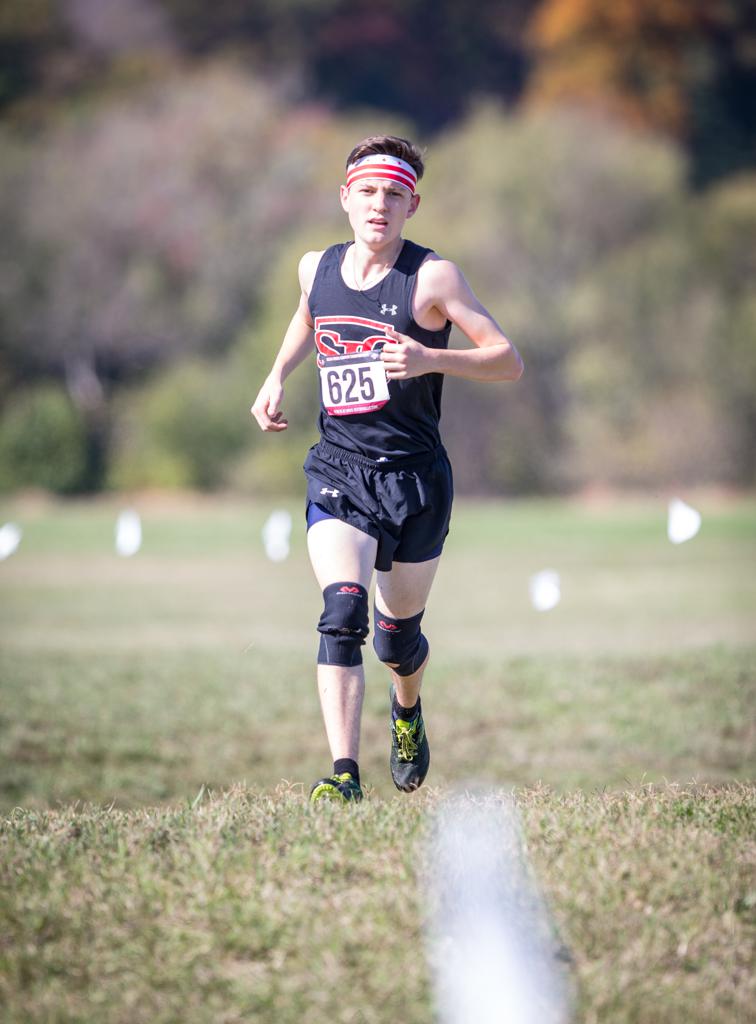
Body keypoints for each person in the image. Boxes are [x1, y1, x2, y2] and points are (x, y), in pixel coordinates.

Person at [251, 135, 523, 803]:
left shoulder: (433, 278)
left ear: (412, 205)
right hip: (340, 468)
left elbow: (507, 358)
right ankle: (344, 776)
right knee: (342, 611)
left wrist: (434, 359)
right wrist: (276, 375)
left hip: (415, 481)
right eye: (368, 192)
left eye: (394, 195)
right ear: (346, 199)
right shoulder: (316, 267)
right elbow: (310, 315)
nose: (380, 205)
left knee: (396, 639)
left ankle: (407, 712)